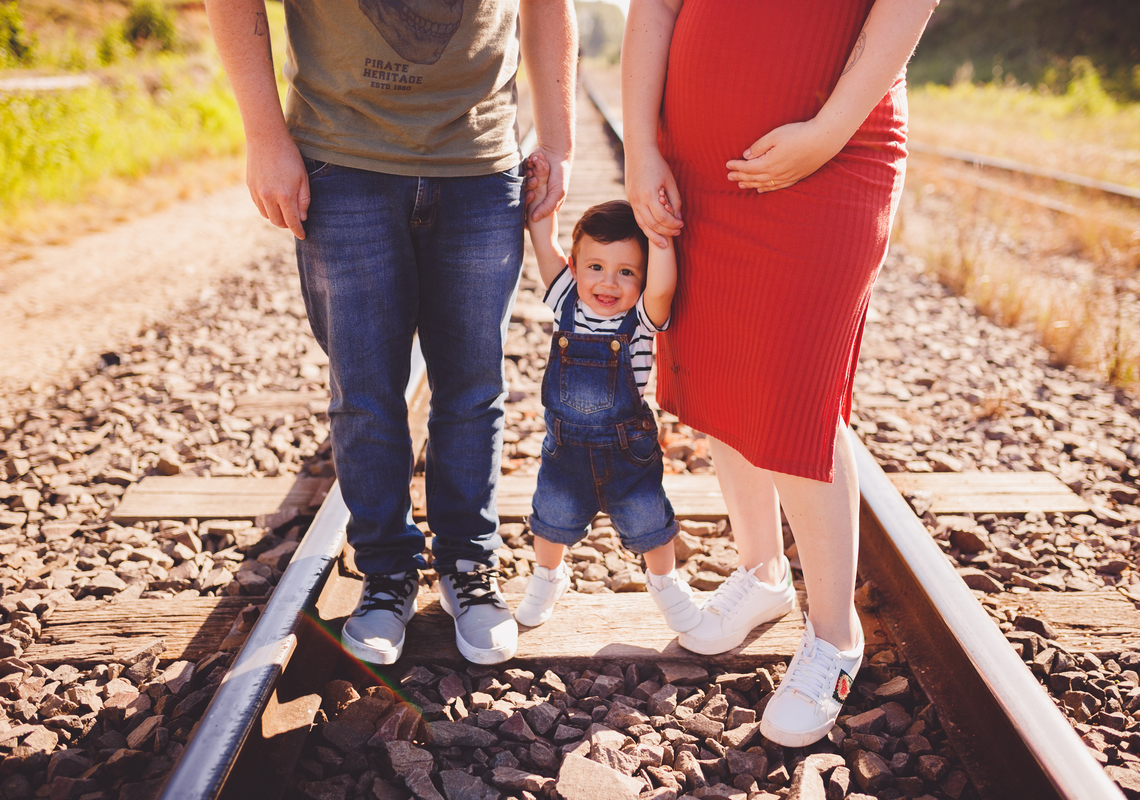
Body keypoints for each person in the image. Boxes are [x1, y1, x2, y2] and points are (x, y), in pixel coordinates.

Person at [206, 0, 577, 665]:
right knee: (366, 389)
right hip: (341, 158)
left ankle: (469, 566)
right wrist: (264, 136)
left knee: (472, 386)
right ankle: (386, 574)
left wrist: (560, 140)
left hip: (480, 163)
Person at [622, 0, 939, 745]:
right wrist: (642, 145)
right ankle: (761, 574)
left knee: (796, 392)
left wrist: (826, 131)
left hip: (834, 152)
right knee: (725, 375)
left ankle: (835, 639)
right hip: (697, 163)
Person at [515, 155, 700, 633]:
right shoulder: (565, 299)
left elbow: (663, 286)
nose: (608, 282)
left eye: (626, 272)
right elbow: (544, 244)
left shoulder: (641, 317)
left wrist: (658, 237)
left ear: (641, 281)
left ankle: (665, 584)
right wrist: (541, 200)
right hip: (566, 452)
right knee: (549, 519)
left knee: (649, 524)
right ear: (575, 267)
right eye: (596, 266)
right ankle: (547, 577)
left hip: (626, 454)